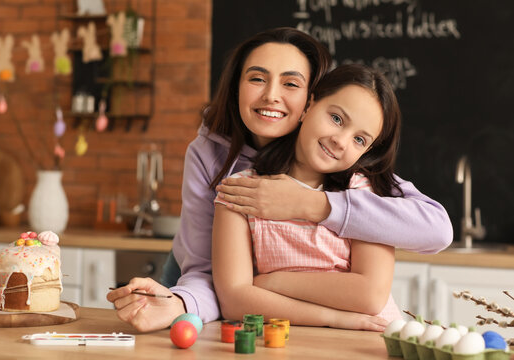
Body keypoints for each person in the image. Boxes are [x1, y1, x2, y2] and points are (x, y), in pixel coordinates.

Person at [107, 27, 452, 332]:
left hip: (293, 309)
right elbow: (220, 285)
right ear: (236, 86)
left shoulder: (355, 180)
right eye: (257, 78)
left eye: (291, 83)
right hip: (201, 286)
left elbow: (433, 234)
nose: (272, 95)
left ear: (308, 99)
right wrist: (181, 302)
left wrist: (309, 206)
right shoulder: (218, 162)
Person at [213, 64, 404, 329]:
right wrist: (336, 317)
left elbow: (370, 296)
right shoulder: (241, 191)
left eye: (359, 140)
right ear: (309, 105)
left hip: (363, 342)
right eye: (337, 119)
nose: (341, 141)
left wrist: (273, 282)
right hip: (290, 342)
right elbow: (234, 301)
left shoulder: (361, 193)